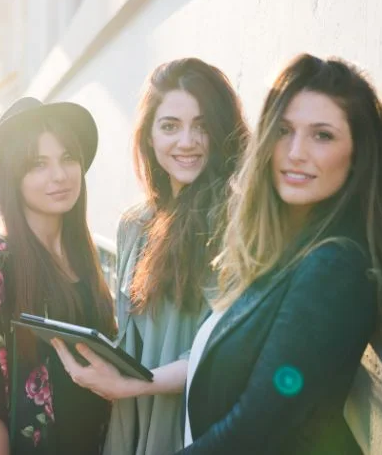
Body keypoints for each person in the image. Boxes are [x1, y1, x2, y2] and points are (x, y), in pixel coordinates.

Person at [178, 54, 382, 454]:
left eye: (322, 136)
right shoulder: (285, 251)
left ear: (357, 155)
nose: (296, 152)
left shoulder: (334, 267)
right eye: (284, 130)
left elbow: (252, 431)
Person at [52, 58, 250, 454]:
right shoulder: (135, 224)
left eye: (202, 125)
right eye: (170, 126)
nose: (187, 141)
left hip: (192, 424)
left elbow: (222, 348)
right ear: (148, 136)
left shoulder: (233, 221)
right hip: (132, 419)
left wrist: (132, 385)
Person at [0, 97, 116, 454]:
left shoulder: (83, 254)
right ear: (13, 178)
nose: (59, 175)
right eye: (38, 164)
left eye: (68, 157)